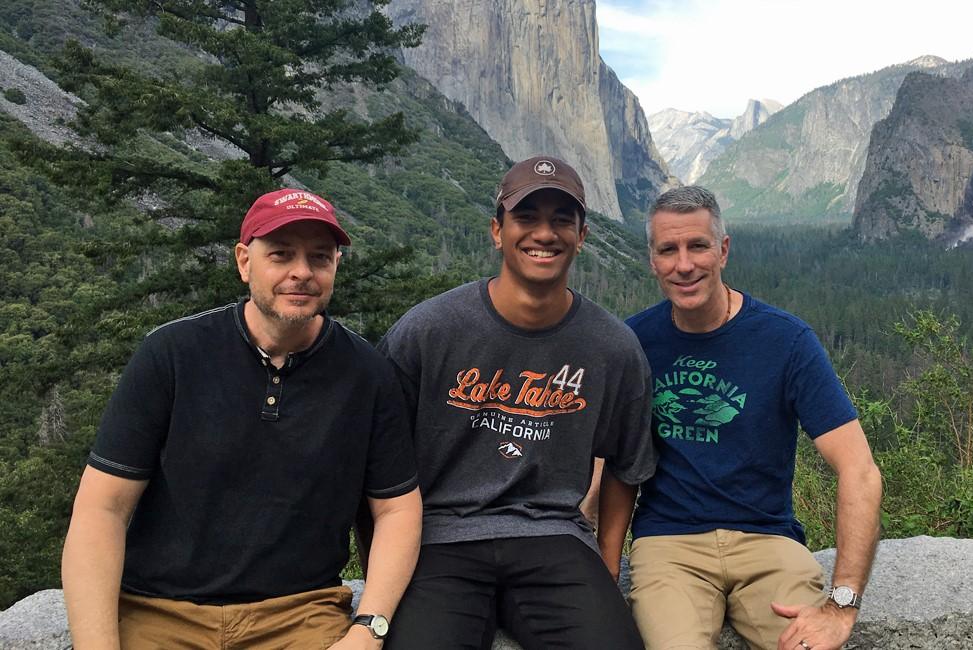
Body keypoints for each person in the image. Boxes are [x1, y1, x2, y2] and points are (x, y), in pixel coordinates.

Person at [62, 189, 422, 649]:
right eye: (281, 255)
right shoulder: (173, 355)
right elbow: (101, 509)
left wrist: (369, 627)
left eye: (319, 257)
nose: (302, 272)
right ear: (244, 261)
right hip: (160, 610)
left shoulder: (367, 373)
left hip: (300, 613)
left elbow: (396, 509)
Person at [377, 156, 656, 650]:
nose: (544, 233)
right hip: (440, 540)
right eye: (526, 217)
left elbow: (626, 466)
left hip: (555, 538)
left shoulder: (613, 348)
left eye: (561, 220)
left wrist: (606, 566)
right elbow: (377, 466)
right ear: (497, 231)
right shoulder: (426, 333)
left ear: (582, 235)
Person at [626, 185, 883, 650]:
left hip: (768, 542)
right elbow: (608, 465)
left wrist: (841, 605)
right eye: (669, 249)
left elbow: (859, 470)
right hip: (669, 546)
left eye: (698, 245)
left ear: (723, 250)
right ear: (653, 260)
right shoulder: (633, 342)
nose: (684, 264)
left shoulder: (785, 341)